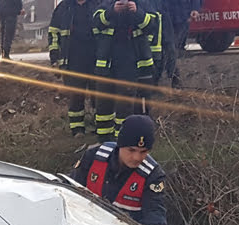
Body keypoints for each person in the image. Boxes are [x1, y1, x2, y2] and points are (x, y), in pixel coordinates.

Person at [70, 113, 168, 225]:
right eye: (131, 150)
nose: (137, 157)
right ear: (120, 145)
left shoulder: (153, 175)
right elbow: (71, 189)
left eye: (143, 152)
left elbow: (155, 216)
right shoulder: (94, 157)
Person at [92, 0, 159, 140]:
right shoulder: (107, 4)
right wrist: (112, 11)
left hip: (130, 63)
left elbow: (153, 25)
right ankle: (104, 142)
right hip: (107, 65)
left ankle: (121, 141)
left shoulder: (142, 4)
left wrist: (137, 12)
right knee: (104, 106)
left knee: (125, 106)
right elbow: (96, 23)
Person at [49, 0, 103, 136]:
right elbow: (53, 33)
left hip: (95, 58)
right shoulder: (64, 7)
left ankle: (101, 127)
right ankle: (77, 129)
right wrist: (55, 58)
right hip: (72, 60)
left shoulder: (98, 5)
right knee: (75, 95)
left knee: (99, 94)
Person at [161, 0, 197, 88]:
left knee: (171, 48)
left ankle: (174, 78)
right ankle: (173, 78)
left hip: (181, 15)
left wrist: (194, 8)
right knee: (169, 48)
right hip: (162, 14)